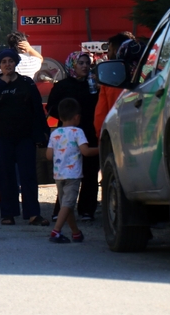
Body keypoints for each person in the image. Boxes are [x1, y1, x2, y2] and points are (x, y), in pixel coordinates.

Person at [0, 48, 50, 226]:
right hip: (2, 137)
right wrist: (2, 84)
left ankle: (32, 214)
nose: (7, 64)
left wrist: (43, 132)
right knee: (6, 177)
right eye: (4, 62)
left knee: (28, 175)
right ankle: (8, 213)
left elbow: (37, 109)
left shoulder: (26, 83)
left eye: (10, 61)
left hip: (25, 137)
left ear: (15, 63)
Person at [46, 51, 99, 221]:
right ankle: (61, 209)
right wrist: (66, 117)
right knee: (67, 172)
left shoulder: (93, 85)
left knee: (90, 172)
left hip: (90, 131)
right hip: (68, 134)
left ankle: (87, 210)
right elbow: (52, 108)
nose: (85, 66)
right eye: (81, 63)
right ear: (72, 65)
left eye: (87, 63)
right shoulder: (62, 86)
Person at [46, 98, 100, 243]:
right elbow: (86, 151)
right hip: (73, 174)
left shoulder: (55, 133)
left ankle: (75, 232)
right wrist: (101, 150)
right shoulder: (78, 132)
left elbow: (49, 155)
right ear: (77, 117)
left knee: (66, 203)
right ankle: (56, 231)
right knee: (68, 203)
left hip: (58, 174)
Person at [94, 36, 143, 136]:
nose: (108, 54)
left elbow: (100, 114)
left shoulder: (109, 80)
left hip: (118, 135)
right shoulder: (154, 75)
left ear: (118, 51)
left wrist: (102, 137)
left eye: (109, 50)